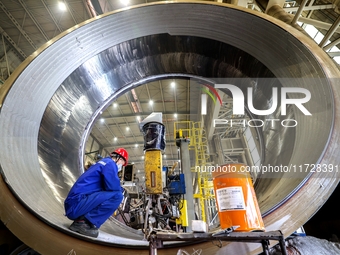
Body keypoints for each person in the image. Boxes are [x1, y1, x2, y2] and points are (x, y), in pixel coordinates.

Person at [64, 148, 129, 237]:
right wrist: (122, 190)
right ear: (119, 159)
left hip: (73, 203)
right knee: (117, 196)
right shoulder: (110, 164)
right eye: (122, 163)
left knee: (111, 193)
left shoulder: (103, 162)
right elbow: (113, 187)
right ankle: (82, 222)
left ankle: (83, 221)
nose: (121, 166)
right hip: (76, 205)